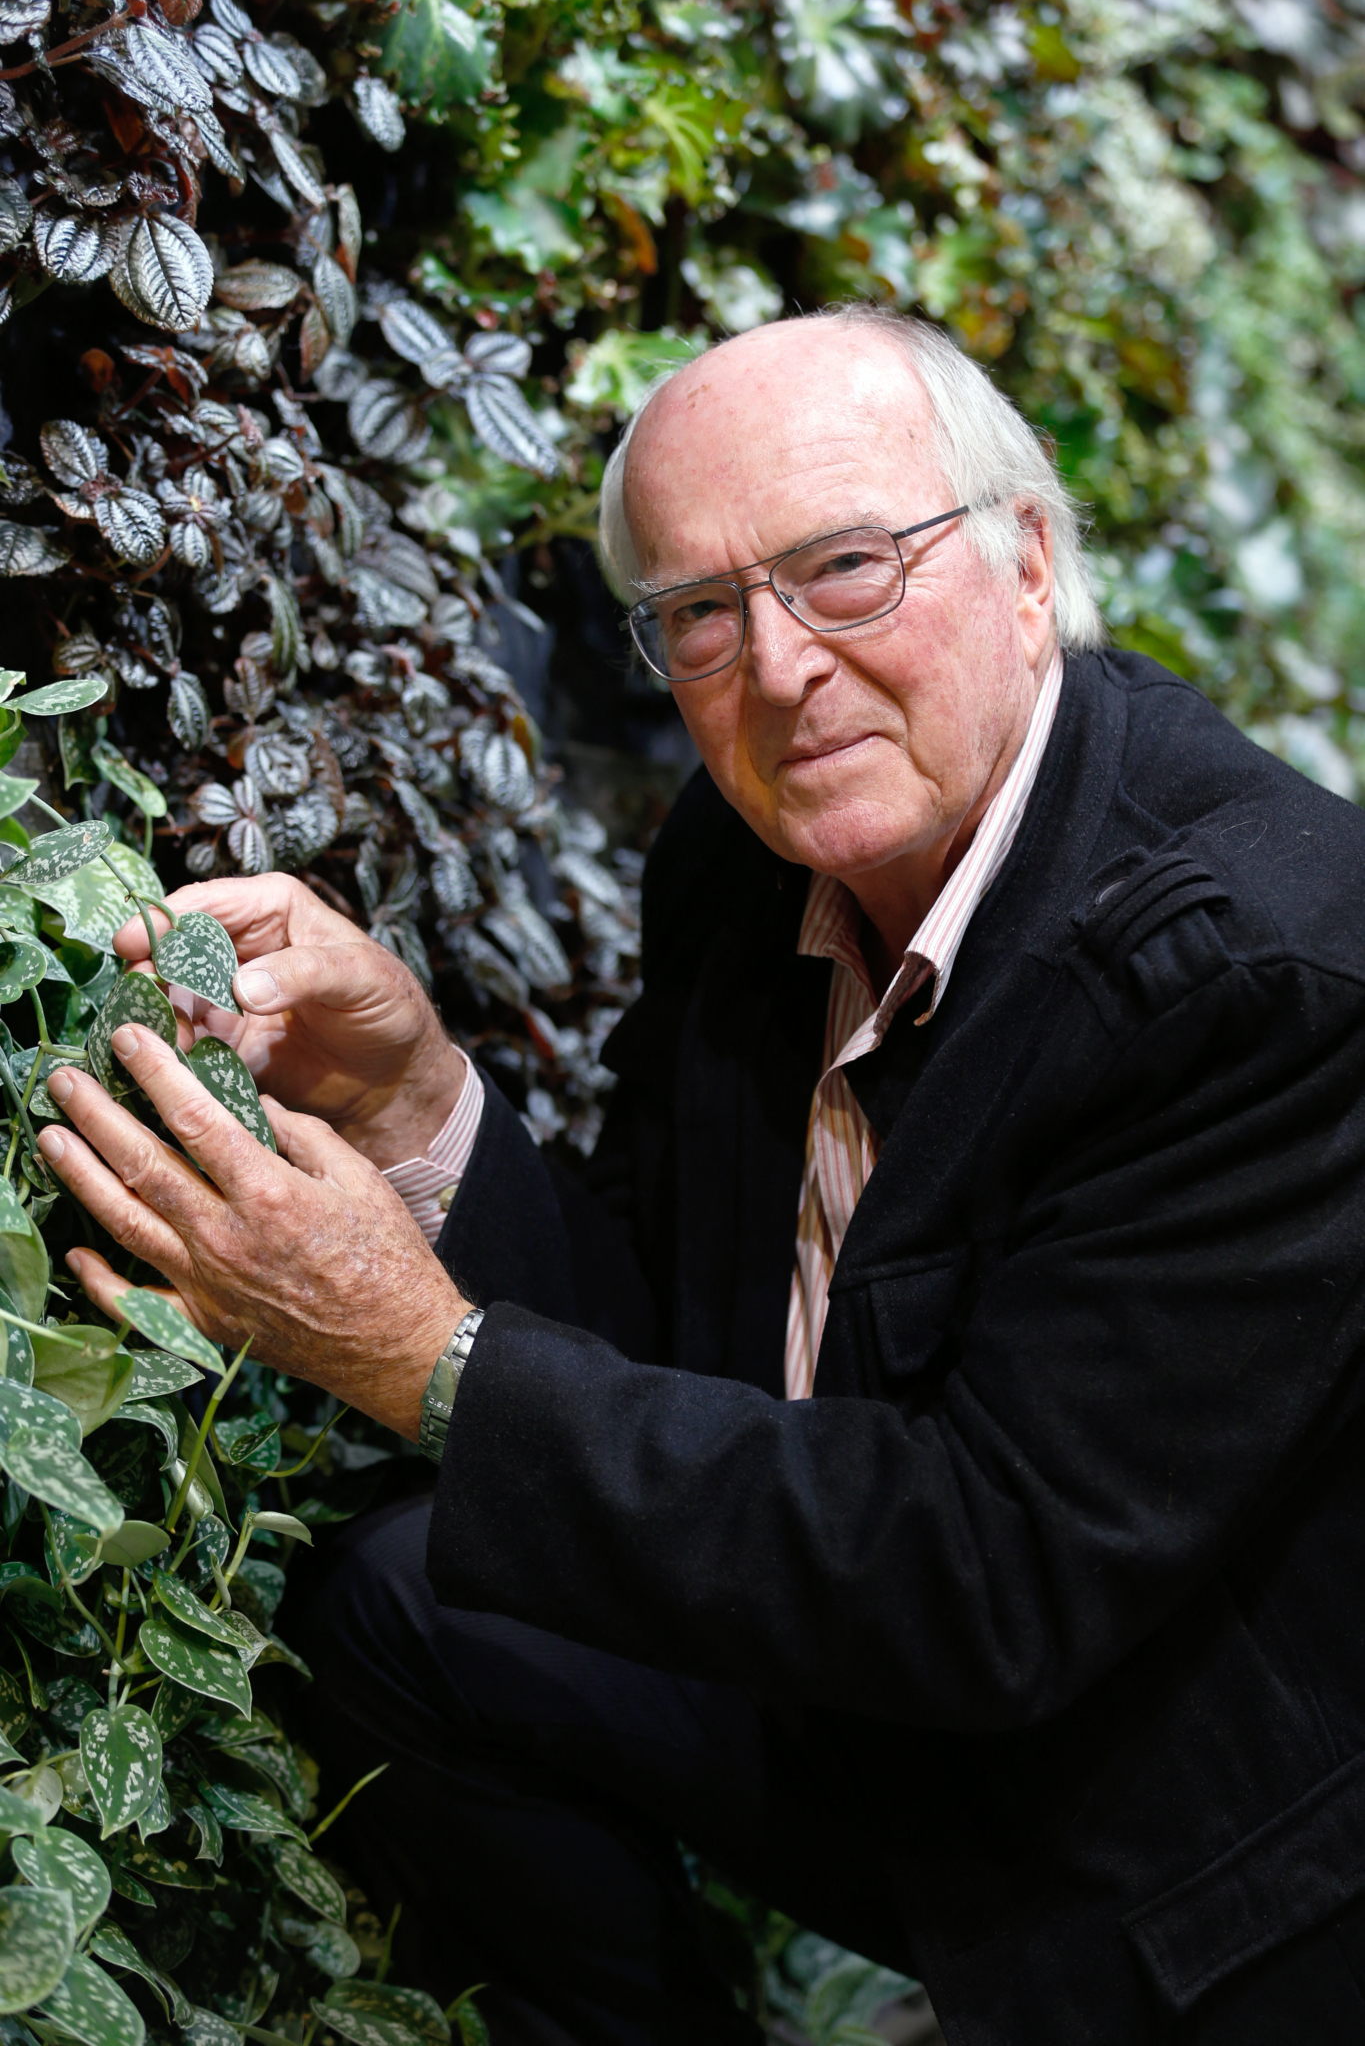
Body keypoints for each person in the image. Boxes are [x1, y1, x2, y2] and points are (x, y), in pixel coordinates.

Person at [35, 307, 1365, 2046]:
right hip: (871, 1707)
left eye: (847, 569)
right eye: (701, 617)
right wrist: (419, 1091)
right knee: (403, 1596)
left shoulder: (1267, 970)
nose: (783, 668)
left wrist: (405, 1350)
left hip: (1196, 1871)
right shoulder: (751, 871)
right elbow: (676, 1362)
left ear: (1027, 563)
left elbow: (984, 1581)